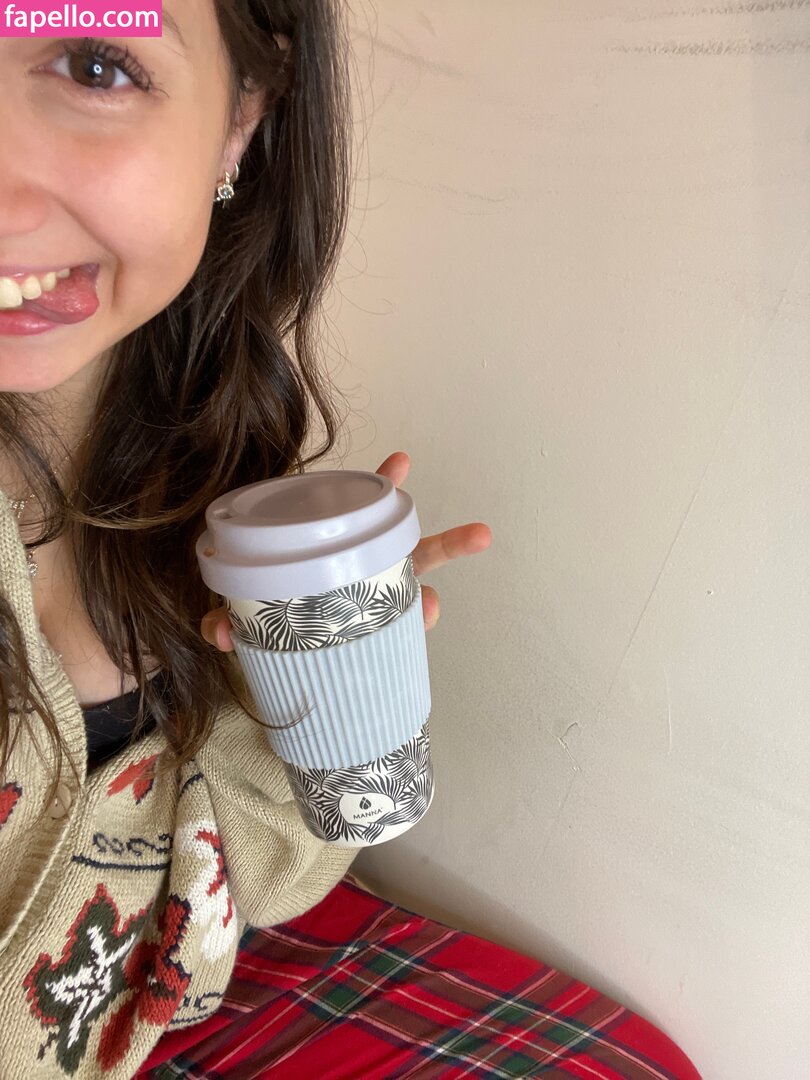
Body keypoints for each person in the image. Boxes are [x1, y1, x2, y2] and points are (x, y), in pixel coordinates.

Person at [0, 2, 701, 1076]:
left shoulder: (196, 458)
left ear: (240, 119)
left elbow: (250, 875)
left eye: (95, 64)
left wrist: (301, 695)